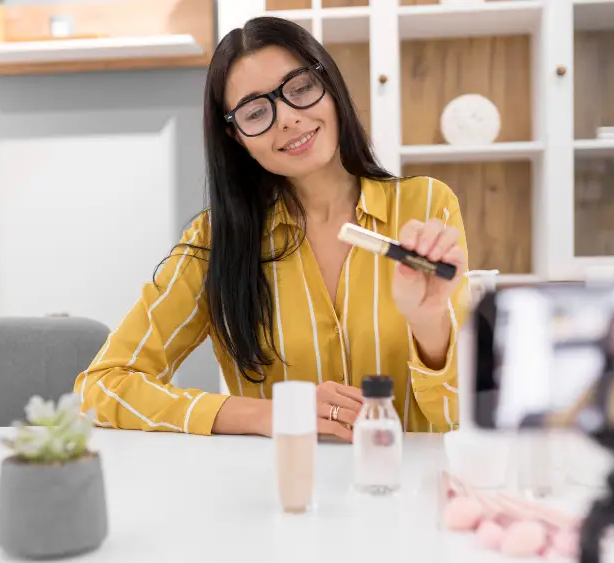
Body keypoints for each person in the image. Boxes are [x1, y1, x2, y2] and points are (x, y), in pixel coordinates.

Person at [73, 16, 470, 442]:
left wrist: (430, 325)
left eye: (299, 88)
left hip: (404, 491)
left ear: (329, 84)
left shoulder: (426, 206)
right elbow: (102, 388)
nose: (287, 120)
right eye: (256, 111)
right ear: (237, 137)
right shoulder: (215, 242)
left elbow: (456, 417)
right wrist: (269, 414)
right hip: (278, 492)